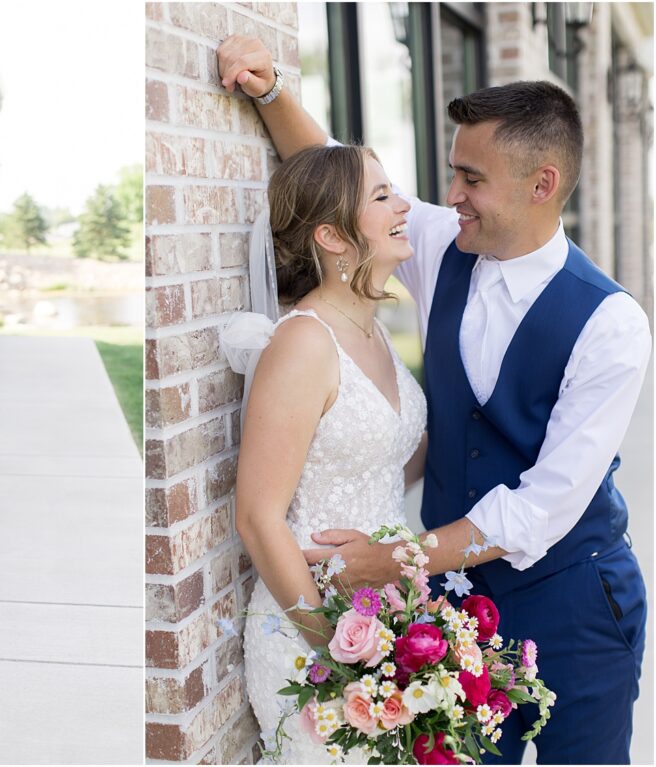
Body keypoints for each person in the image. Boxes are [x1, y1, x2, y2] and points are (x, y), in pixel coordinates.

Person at [217, 35, 651, 764]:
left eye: (470, 178)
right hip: (443, 603)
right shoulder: (443, 243)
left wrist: (393, 558)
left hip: (573, 600)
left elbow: (541, 506)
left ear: (540, 184)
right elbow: (332, 180)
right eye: (451, 173)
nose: (448, 196)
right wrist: (269, 92)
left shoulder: (612, 324)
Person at [220, 142, 428, 761]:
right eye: (382, 196)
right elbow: (258, 518)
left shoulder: (373, 332)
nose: (405, 205)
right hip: (311, 635)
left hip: (384, 618)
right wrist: (341, 655)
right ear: (333, 237)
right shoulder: (305, 344)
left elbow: (385, 458)